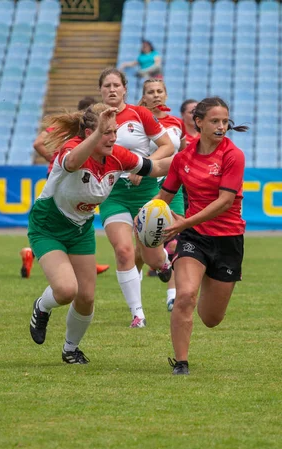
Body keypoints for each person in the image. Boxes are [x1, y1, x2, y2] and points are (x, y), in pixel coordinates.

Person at [27, 104, 173, 364]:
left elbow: (157, 167)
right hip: (48, 225)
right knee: (65, 290)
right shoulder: (71, 149)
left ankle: (70, 349)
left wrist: (191, 157)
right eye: (107, 132)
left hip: (80, 229)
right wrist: (95, 135)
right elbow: (72, 163)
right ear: (87, 133)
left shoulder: (118, 155)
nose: (114, 138)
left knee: (87, 298)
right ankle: (42, 306)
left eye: (115, 131)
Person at [155, 97, 249, 375]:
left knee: (211, 319)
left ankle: (208, 275)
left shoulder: (234, 155)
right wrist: (146, 213)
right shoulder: (183, 157)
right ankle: (181, 362)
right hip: (194, 238)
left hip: (228, 239)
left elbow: (224, 202)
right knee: (184, 296)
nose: (221, 127)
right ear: (199, 122)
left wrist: (184, 222)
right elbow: (164, 197)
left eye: (225, 122)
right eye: (215, 121)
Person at [97, 67, 174, 328]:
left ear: (125, 89)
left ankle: (164, 264)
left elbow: (168, 146)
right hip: (112, 193)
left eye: (116, 85)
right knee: (123, 250)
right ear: (100, 91)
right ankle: (137, 314)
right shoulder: (94, 118)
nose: (111, 90)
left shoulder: (140, 114)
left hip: (146, 191)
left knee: (151, 257)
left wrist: (144, 165)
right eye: (106, 86)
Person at [27, 96, 110, 277]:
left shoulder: (71, 129)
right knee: (68, 213)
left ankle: (82, 262)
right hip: (66, 172)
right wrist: (53, 159)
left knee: (75, 214)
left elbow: (39, 142)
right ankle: (77, 263)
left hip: (68, 171)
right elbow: (38, 143)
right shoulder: (78, 131)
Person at [137, 79, 187, 311]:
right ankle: (136, 297)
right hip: (143, 186)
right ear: (144, 96)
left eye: (160, 91)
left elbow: (183, 151)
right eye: (150, 92)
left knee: (175, 239)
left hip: (171, 187)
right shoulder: (137, 120)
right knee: (140, 246)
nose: (156, 95)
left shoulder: (177, 123)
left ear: (166, 95)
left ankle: (172, 295)